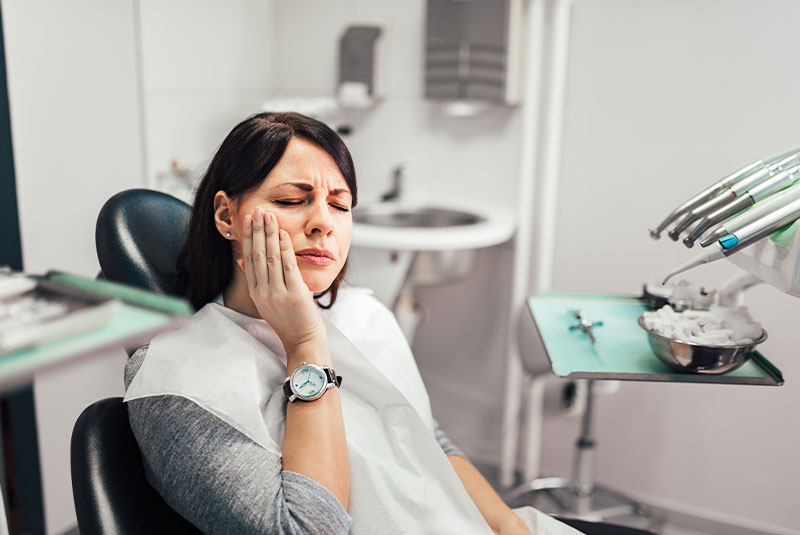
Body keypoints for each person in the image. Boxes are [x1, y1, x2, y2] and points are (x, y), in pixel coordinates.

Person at [123, 112, 545, 534]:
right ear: (226, 215)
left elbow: (427, 441)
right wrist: (305, 344)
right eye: (291, 201)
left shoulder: (365, 317)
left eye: (340, 205)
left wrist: (511, 526)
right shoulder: (173, 381)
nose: (324, 222)